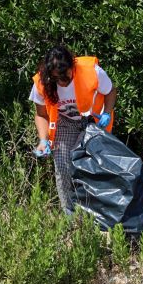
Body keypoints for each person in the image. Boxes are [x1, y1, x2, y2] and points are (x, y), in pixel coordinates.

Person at [30, 46, 116, 214]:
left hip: (92, 122)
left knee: (97, 167)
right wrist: (42, 139)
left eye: (66, 75)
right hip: (65, 122)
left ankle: (99, 211)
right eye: (57, 78)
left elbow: (110, 91)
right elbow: (41, 115)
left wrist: (107, 112)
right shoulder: (42, 83)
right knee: (62, 167)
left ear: (72, 66)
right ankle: (70, 214)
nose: (63, 81)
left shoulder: (92, 72)